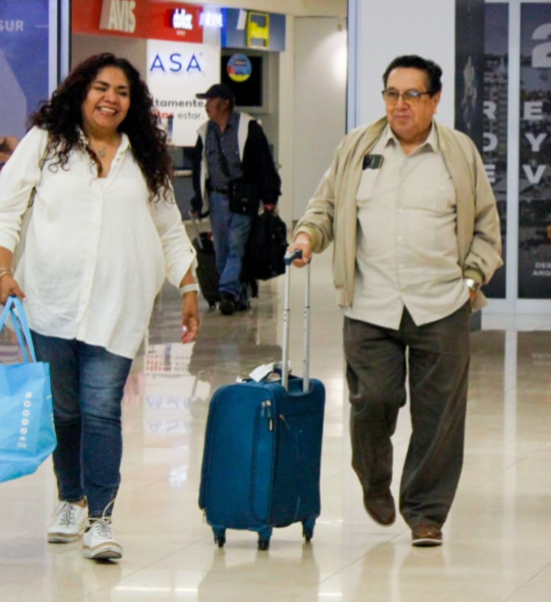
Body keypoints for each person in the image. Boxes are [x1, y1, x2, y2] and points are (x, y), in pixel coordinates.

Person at [0, 53, 199, 562]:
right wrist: (3, 272)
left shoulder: (144, 157)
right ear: (81, 93)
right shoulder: (47, 143)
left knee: (102, 411)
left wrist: (189, 288)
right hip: (49, 300)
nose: (111, 98)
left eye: (122, 92)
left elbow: (170, 228)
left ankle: (100, 518)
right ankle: (68, 498)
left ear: (133, 103)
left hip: (116, 305)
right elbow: (5, 207)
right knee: (65, 411)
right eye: (101, 88)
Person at [288, 55, 501, 548]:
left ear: (434, 100)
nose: (399, 105)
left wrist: (471, 280)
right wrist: (306, 237)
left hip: (442, 304)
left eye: (411, 95)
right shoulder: (357, 147)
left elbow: (487, 228)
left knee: (439, 418)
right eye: (391, 94)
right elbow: (325, 208)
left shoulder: (458, 153)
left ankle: (425, 513)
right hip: (369, 303)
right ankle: (374, 476)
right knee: (372, 402)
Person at [189, 84, 282, 315]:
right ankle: (238, 297)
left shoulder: (248, 128)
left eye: (210, 101)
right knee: (221, 250)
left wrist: (269, 196)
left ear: (224, 103)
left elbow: (264, 163)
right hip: (217, 199)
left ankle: (227, 291)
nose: (206, 106)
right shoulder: (205, 133)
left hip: (244, 199)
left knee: (236, 246)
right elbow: (199, 169)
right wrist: (198, 201)